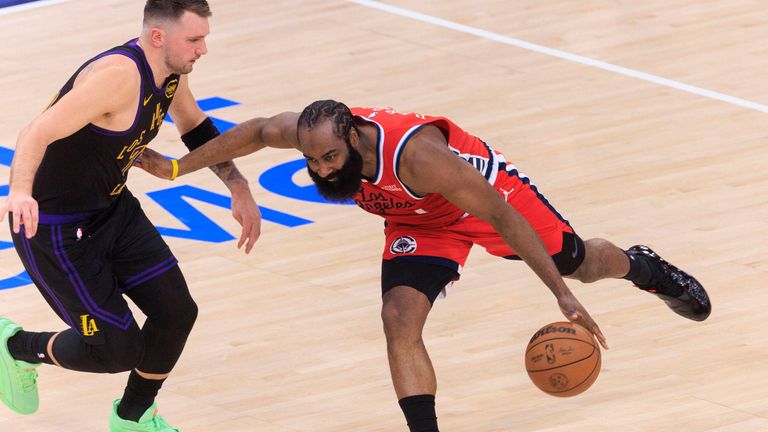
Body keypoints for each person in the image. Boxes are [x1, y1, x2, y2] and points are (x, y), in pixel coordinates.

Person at [136, 100, 711, 432]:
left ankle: (643, 267)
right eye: (310, 160)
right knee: (397, 319)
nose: (320, 170)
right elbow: (257, 132)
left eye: (331, 158)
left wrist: (560, 295)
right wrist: (175, 168)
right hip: (417, 222)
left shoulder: (420, 158)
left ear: (356, 137)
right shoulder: (311, 135)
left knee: (582, 261)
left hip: (486, 202)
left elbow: (504, 219)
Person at [0, 1, 261, 431]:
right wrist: (21, 191)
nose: (203, 50)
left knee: (177, 312)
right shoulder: (118, 78)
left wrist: (237, 185)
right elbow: (36, 130)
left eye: (204, 39)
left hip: (113, 208)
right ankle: (16, 348)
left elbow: (196, 128)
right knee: (116, 351)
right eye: (194, 39)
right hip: (55, 228)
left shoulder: (171, 73)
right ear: (158, 37)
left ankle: (133, 419)